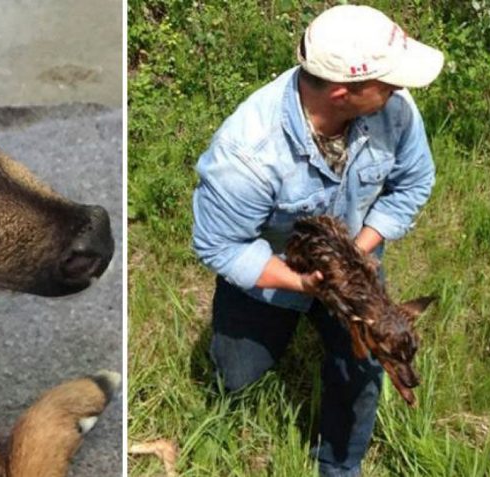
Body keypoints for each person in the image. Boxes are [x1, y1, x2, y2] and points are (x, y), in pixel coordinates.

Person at [191, 5, 444, 476]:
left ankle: (339, 467)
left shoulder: (395, 111)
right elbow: (220, 246)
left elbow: (413, 185)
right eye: (388, 83)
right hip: (268, 277)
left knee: (364, 374)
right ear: (344, 93)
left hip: (356, 270)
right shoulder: (246, 152)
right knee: (238, 377)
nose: (399, 92)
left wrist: (356, 256)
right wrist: (305, 284)